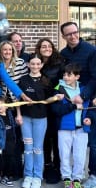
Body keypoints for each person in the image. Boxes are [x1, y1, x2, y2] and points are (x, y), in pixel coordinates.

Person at [18, 54, 63, 188]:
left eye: (38, 64)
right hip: (26, 118)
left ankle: (37, 176)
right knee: (27, 148)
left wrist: (56, 98)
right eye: (32, 64)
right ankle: (28, 175)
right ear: (28, 65)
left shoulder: (46, 80)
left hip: (41, 119)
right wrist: (19, 115)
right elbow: (18, 100)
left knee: (38, 148)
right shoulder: (23, 80)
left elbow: (48, 99)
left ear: (42, 65)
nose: (35, 66)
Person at [52, 63, 92, 188]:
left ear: (77, 77)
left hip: (82, 129)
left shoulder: (84, 90)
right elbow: (56, 110)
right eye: (64, 74)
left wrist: (89, 119)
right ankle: (67, 177)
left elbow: (90, 109)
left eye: (69, 75)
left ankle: (77, 178)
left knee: (80, 155)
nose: (66, 77)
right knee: (64, 155)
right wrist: (73, 106)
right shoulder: (58, 90)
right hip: (64, 128)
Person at [35, 38, 64, 183]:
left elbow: (62, 83)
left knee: (56, 138)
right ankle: (47, 165)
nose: (47, 48)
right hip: (41, 106)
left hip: (55, 105)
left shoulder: (59, 63)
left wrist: (54, 93)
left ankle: (58, 167)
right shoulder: (36, 63)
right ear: (39, 49)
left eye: (49, 46)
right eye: (43, 46)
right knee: (44, 138)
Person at [0, 40, 28, 180]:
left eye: (10, 50)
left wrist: (19, 111)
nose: (7, 52)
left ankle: (17, 171)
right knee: (7, 139)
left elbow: (23, 83)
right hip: (5, 105)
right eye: (5, 50)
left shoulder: (20, 63)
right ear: (1, 51)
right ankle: (6, 169)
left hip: (19, 104)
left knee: (18, 140)